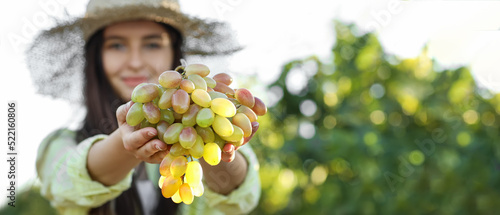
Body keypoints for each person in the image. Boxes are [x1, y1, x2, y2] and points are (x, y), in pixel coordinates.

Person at [27, 0, 261, 214]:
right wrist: (126, 142)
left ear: (174, 53)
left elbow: (241, 198)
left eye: (152, 44)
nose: (136, 62)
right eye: (117, 46)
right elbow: (67, 187)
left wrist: (210, 135)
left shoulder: (211, 123)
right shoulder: (60, 145)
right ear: (97, 57)